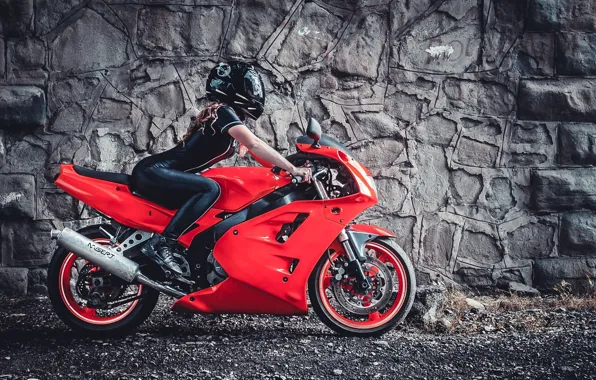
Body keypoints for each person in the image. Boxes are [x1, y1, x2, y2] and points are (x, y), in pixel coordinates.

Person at [130, 61, 312, 275]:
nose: (253, 92)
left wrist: (291, 171)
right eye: (249, 86)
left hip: (161, 174)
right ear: (235, 88)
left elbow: (259, 153)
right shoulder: (223, 112)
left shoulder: (227, 120)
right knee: (211, 188)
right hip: (152, 172)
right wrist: (292, 168)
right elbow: (255, 144)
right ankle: (163, 245)